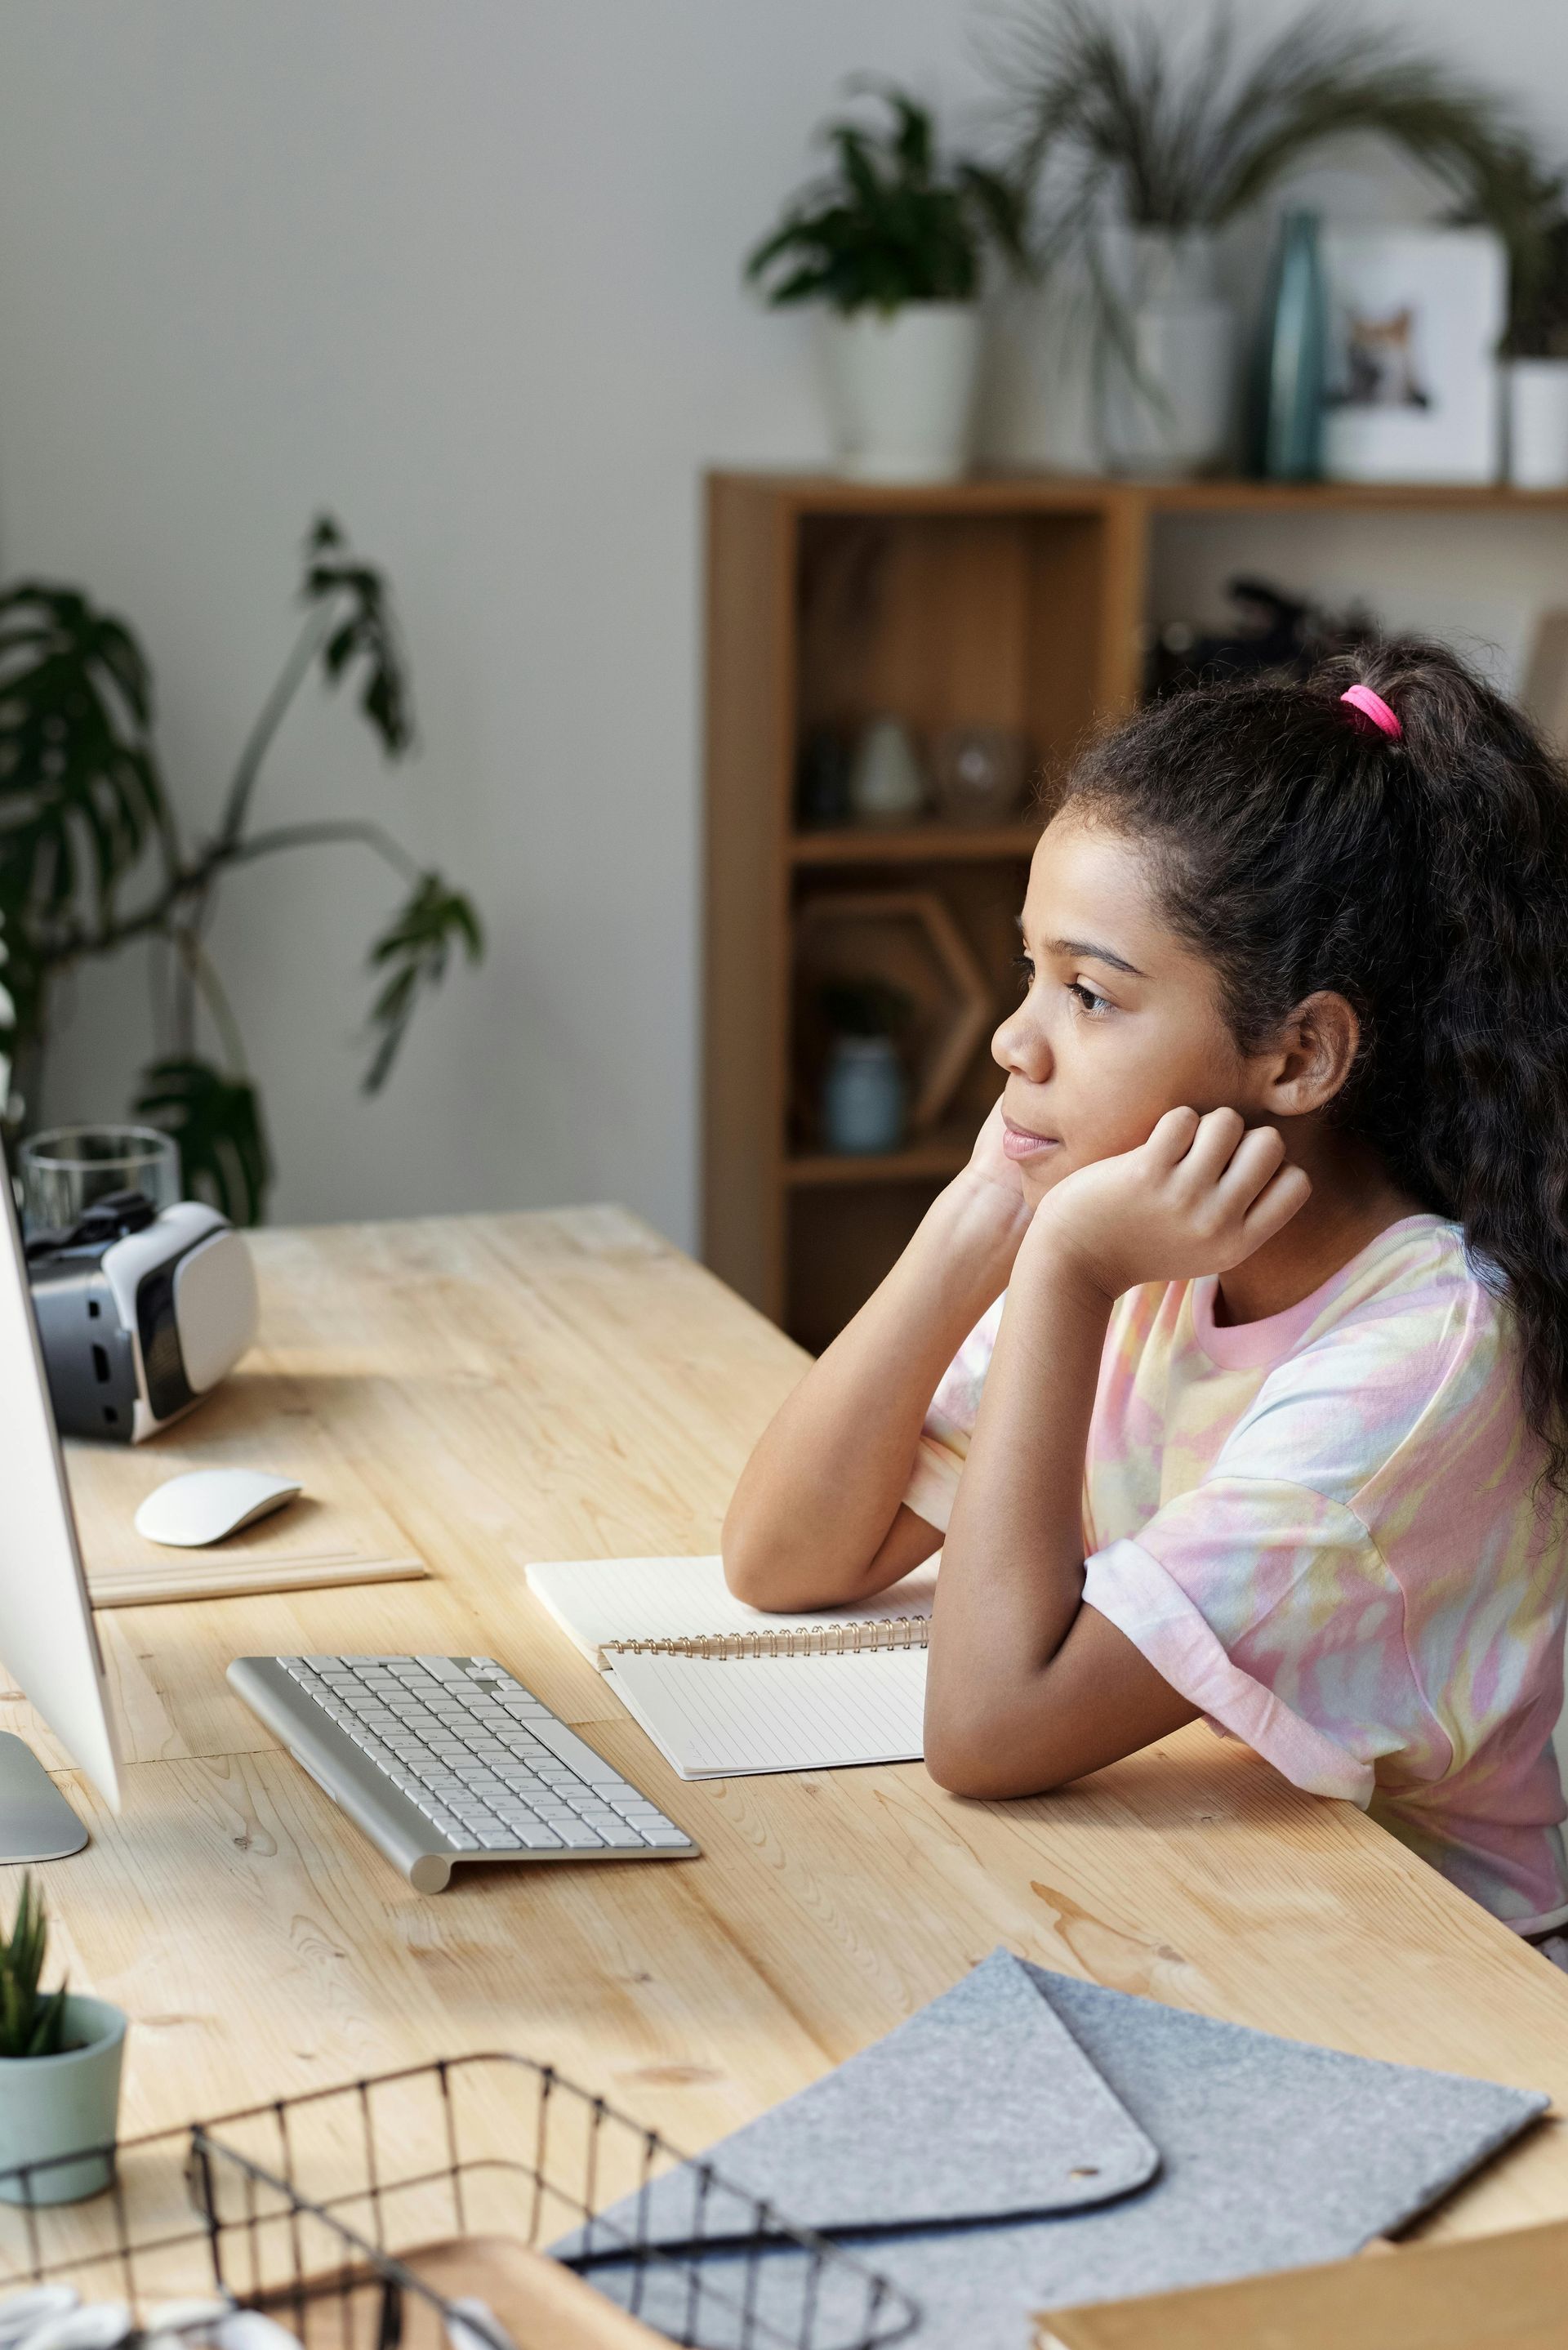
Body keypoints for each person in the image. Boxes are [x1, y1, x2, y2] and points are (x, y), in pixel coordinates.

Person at [723, 642, 1568, 1958]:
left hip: (1435, 1969)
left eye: (1090, 993)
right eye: (1028, 971)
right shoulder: (1154, 1240)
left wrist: (1057, 1271)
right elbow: (785, 1558)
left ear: (1297, 1053)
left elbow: (990, 1728)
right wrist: (970, 1230)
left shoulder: (1423, 1354)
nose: (1014, 1038)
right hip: (1210, 1900)